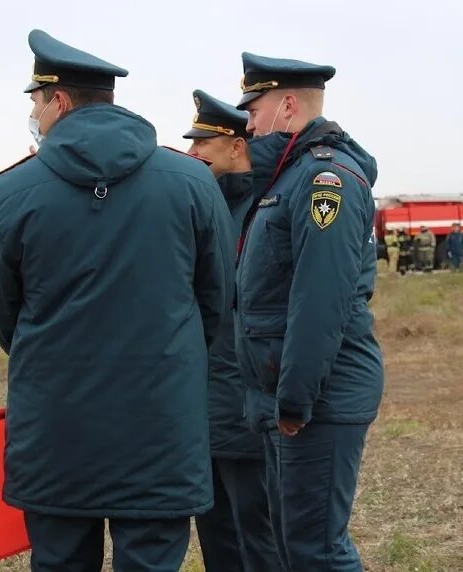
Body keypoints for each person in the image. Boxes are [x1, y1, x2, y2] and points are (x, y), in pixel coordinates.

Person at [0, 30, 234, 571]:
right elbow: (215, 299)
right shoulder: (191, 182)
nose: (35, 117)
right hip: (161, 425)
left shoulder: (9, 195)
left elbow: (5, 316)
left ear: (59, 101)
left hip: (56, 428)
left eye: (36, 104)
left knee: (62, 560)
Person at [233, 52, 383, 571]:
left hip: (317, 398)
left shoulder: (326, 181)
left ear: (288, 105)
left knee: (317, 549)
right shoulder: (285, 177)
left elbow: (320, 300)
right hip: (284, 396)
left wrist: (295, 400)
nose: (247, 124)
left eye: (253, 109)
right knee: (293, 544)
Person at [183, 89, 282, 572]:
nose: (192, 153)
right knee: (217, 530)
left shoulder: (268, 209)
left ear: (235, 146)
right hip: (206, 400)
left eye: (203, 144)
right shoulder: (203, 206)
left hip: (248, 400)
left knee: (258, 530)